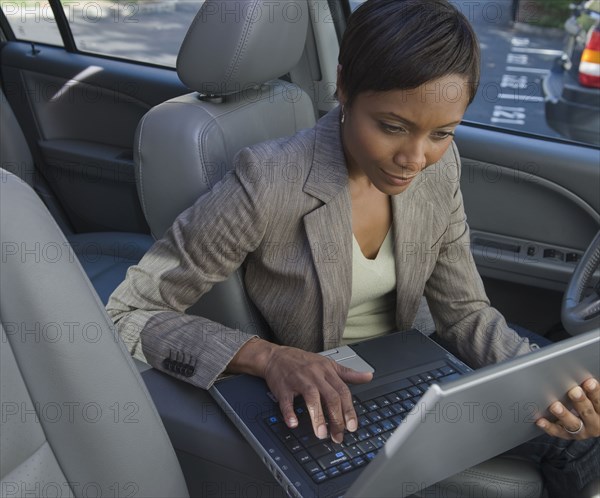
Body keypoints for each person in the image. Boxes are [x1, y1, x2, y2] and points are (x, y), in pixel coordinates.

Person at [107, 0, 599, 495]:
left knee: (582, 426)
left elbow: (465, 313)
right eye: (391, 126)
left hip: (419, 366)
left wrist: (553, 391)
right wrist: (267, 357)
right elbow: (127, 312)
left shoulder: (439, 170)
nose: (414, 159)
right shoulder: (268, 181)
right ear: (343, 86)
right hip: (332, 396)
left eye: (441, 133)